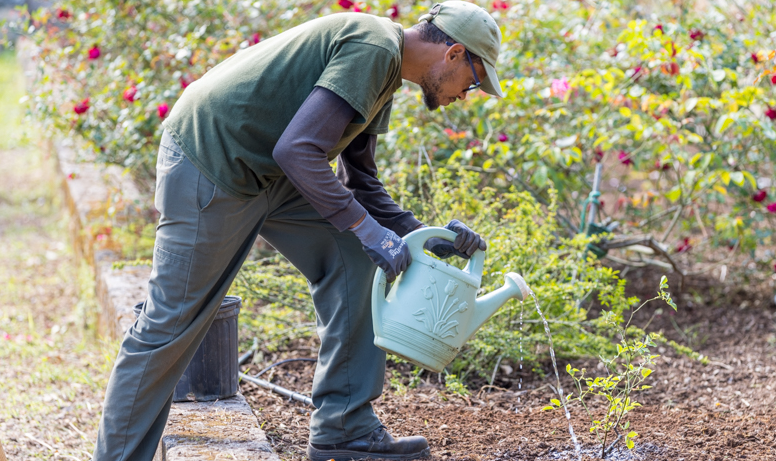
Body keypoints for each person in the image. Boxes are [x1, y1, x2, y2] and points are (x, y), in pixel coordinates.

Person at [91, 2, 505, 460]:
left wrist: (420, 234)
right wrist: (371, 232)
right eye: (473, 80)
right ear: (454, 53)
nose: (467, 94)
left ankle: (344, 431)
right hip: (213, 160)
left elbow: (359, 180)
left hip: (270, 173)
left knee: (356, 262)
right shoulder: (373, 47)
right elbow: (299, 151)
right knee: (171, 323)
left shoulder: (386, 70)